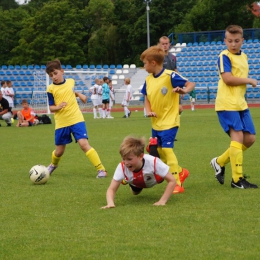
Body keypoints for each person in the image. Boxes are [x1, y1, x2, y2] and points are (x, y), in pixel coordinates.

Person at [140, 46, 195, 194]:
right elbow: (146, 97)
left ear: (153, 63)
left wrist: (184, 90)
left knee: (167, 149)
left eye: (144, 63)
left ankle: (178, 183)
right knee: (159, 151)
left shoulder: (170, 76)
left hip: (170, 121)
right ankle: (180, 171)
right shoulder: (148, 80)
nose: (143, 66)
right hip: (156, 123)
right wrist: (149, 110)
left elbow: (190, 84)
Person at [210, 25, 258, 189]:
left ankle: (219, 162)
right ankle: (237, 180)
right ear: (225, 41)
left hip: (240, 104)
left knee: (250, 139)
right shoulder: (224, 56)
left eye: (237, 41)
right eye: (230, 41)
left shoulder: (243, 56)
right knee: (237, 139)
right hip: (226, 104)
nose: (233, 44)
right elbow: (228, 79)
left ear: (242, 41)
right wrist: (249, 80)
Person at [45, 59, 107, 178]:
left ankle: (101, 169)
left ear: (62, 71)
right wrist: (58, 106)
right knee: (59, 151)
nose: (54, 77)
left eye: (55, 73)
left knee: (83, 144)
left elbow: (69, 91)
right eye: (51, 75)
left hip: (76, 118)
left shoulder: (71, 81)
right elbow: (51, 107)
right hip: (61, 122)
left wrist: (78, 95)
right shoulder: (50, 89)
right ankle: (53, 165)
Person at [101, 136, 176, 209]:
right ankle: (127, 179)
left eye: (129, 159)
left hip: (156, 177)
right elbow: (111, 189)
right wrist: (110, 203)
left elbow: (172, 181)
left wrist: (162, 201)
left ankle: (153, 144)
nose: (126, 163)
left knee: (155, 157)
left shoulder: (153, 162)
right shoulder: (122, 167)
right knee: (135, 193)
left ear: (140, 156)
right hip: (137, 182)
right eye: (124, 159)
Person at [159, 36, 182, 140]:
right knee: (165, 111)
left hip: (174, 88)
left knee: (179, 109)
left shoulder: (173, 57)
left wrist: (180, 84)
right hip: (163, 89)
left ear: (169, 44)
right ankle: (164, 133)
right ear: (160, 45)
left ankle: (172, 132)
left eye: (166, 43)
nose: (165, 45)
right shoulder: (158, 58)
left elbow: (175, 71)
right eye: (163, 44)